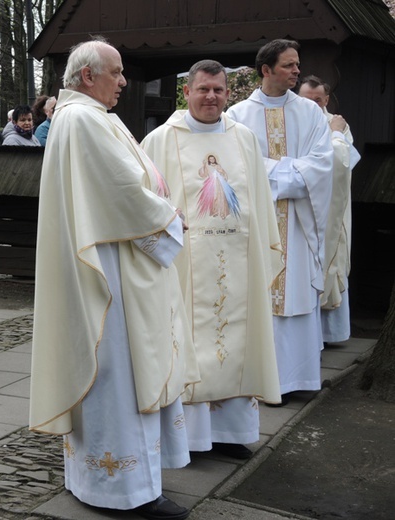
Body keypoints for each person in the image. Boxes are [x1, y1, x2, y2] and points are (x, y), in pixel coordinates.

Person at [29, 37, 199, 520]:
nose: (124, 81)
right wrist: (169, 220)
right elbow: (123, 191)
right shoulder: (82, 118)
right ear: (88, 75)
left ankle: (101, 481)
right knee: (120, 375)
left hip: (113, 261)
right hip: (112, 275)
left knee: (112, 376)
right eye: (117, 72)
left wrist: (161, 210)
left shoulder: (85, 116)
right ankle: (127, 492)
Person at [141, 60, 283, 460]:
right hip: (184, 263)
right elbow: (146, 201)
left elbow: (258, 198)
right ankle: (193, 439)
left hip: (237, 255)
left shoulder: (243, 139)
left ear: (227, 93)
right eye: (203, 89)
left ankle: (232, 433)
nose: (211, 97)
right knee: (189, 342)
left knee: (239, 342)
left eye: (219, 90)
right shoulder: (160, 140)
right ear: (186, 92)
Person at [226, 39, 333, 406]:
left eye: (297, 64)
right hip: (257, 225)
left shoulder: (311, 113)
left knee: (298, 295)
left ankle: (299, 378)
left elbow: (322, 164)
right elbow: (237, 168)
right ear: (266, 70)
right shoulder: (237, 115)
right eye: (288, 65)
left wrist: (270, 172)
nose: (296, 71)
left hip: (300, 223)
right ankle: (262, 381)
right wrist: (285, 172)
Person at [299, 75, 360, 344]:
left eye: (317, 100)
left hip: (330, 205)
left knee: (331, 257)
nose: (311, 104)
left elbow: (343, 164)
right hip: (302, 202)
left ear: (325, 100)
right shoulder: (293, 120)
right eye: (305, 99)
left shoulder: (336, 123)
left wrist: (336, 134)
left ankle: (331, 334)